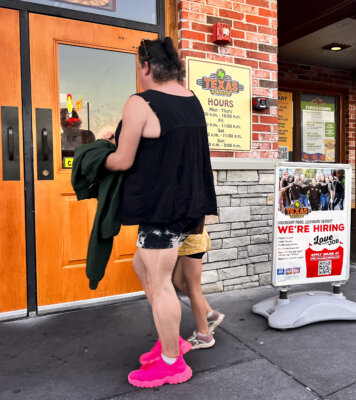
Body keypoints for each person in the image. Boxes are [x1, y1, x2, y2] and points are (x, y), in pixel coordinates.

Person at [104, 37, 217, 388]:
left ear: (147, 67)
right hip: (190, 207)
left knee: (159, 281)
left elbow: (122, 160)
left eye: (140, 67)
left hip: (162, 208)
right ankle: (172, 339)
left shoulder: (140, 102)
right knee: (142, 265)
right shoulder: (191, 99)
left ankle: (172, 362)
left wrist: (93, 158)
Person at [173, 229, 225, 349]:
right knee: (179, 282)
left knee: (194, 289)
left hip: (192, 243)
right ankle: (211, 315)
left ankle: (204, 336)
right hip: (187, 243)